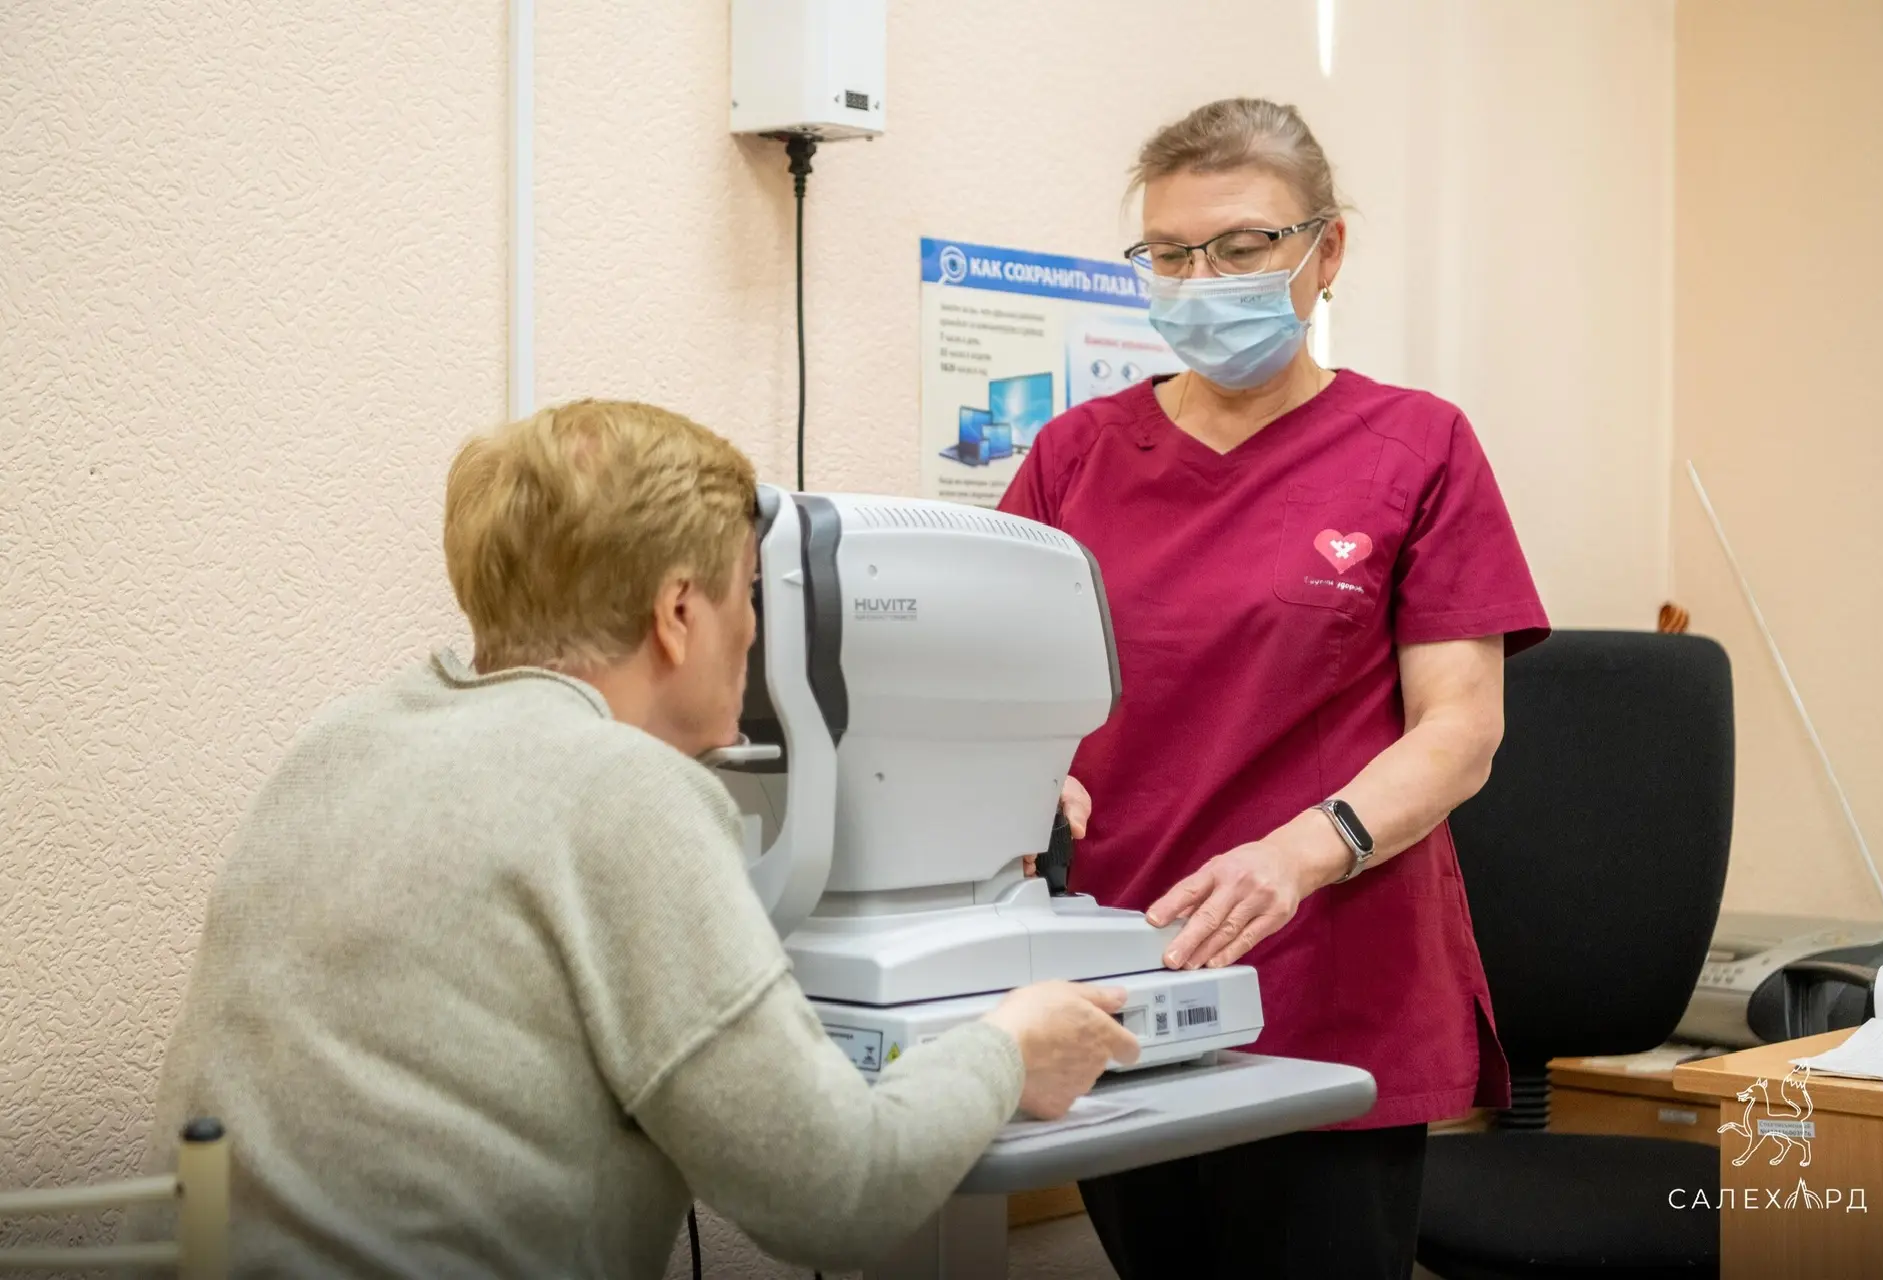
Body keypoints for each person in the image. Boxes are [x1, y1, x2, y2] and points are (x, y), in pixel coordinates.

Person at [136, 400, 1138, 1278]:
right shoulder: (623, 791)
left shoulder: (346, 735)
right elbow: (836, 1195)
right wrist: (1010, 1048)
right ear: (678, 612)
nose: (755, 632)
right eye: (749, 594)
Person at [999, 99, 1550, 1278]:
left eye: (1243, 246)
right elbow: (1000, 684)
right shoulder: (1074, 456)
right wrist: (1019, 773)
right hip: (1121, 965)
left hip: (1332, 973)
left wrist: (1302, 852)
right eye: (1171, 254)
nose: (1203, 281)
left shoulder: (1417, 445)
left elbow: (1462, 727)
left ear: (1325, 249)